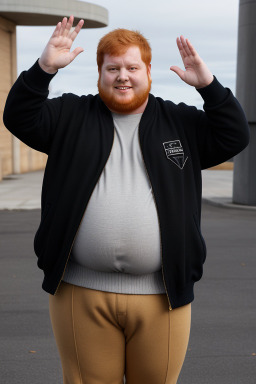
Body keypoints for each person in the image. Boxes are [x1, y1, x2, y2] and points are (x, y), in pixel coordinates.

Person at [3, 15, 249, 384]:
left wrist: (209, 87)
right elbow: (19, 117)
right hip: (80, 292)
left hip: (163, 295)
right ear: (99, 73)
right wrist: (43, 69)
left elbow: (234, 136)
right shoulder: (69, 116)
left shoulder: (179, 122)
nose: (123, 76)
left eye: (132, 67)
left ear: (148, 71)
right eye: (112, 67)